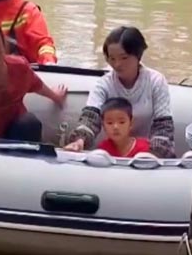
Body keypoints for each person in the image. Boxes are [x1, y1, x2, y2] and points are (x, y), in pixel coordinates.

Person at [63, 26, 174, 158]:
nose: (117, 65)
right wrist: (79, 141)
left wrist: (152, 156)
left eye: (124, 58)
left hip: (147, 151)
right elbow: (90, 117)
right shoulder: (103, 84)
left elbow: (163, 126)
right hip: (110, 152)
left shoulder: (156, 81)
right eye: (112, 58)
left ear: (137, 55)